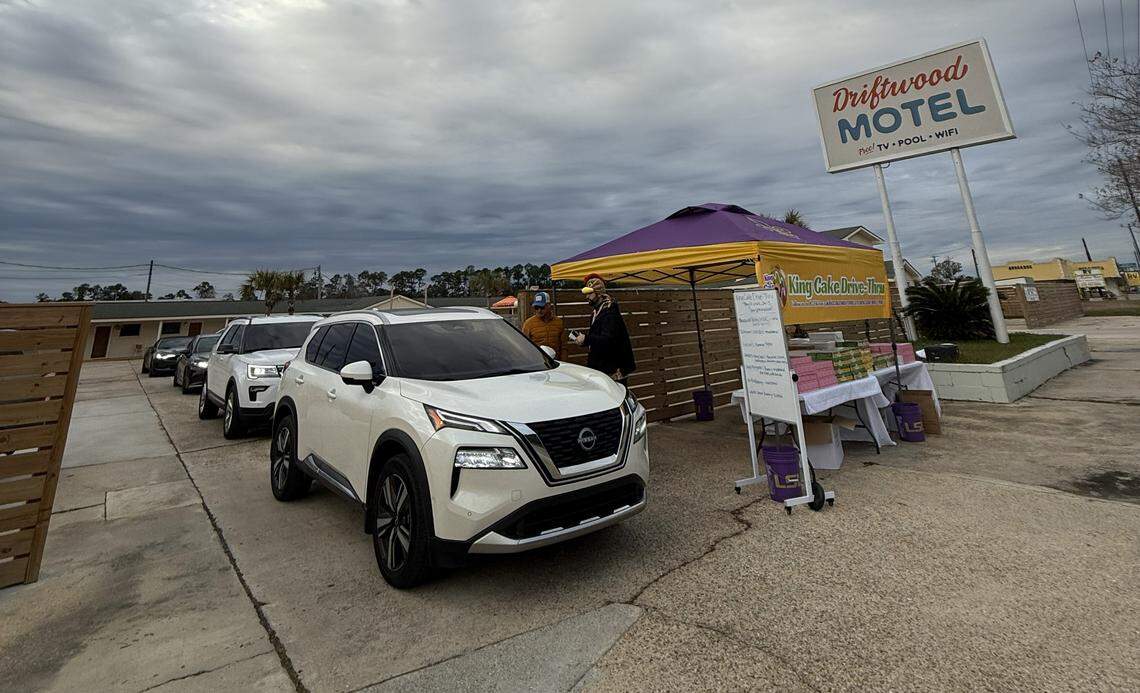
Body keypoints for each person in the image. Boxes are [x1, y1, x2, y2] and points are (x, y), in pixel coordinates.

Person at [571, 275, 636, 384]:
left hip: (613, 370)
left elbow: (608, 340)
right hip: (603, 368)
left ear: (599, 294)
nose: (587, 297)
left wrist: (586, 339)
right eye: (586, 294)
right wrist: (583, 341)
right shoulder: (597, 312)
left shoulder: (610, 313)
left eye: (590, 294)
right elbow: (598, 338)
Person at [521, 291, 564, 359]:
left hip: (556, 363)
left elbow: (564, 347)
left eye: (542, 307)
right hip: (537, 362)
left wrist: (564, 363)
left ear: (549, 305)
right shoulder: (528, 324)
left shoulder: (559, 322)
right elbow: (524, 346)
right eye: (536, 307)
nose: (539, 310)